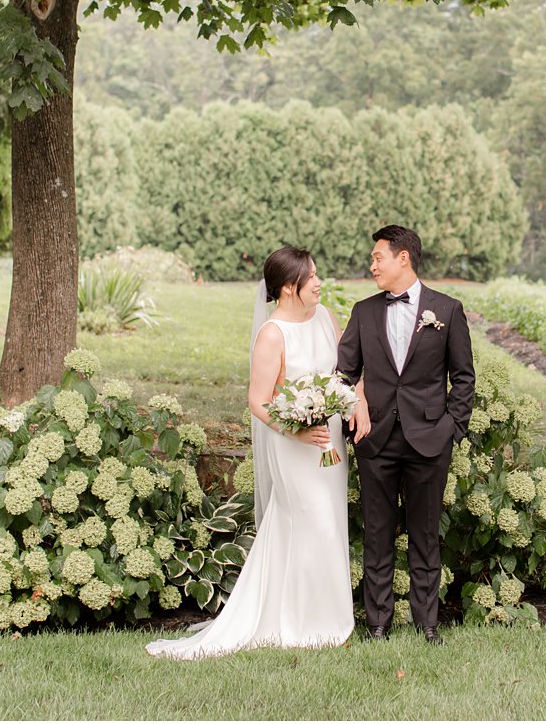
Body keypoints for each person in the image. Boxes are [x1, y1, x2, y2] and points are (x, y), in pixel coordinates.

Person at [146, 246, 354, 659]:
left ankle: (324, 617)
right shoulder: (273, 333)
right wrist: (295, 431)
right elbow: (258, 402)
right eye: (310, 277)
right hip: (295, 445)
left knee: (330, 522)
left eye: (316, 274)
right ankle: (304, 622)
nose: (318, 282)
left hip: (329, 442)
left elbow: (345, 373)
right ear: (288, 288)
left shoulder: (327, 318)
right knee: (311, 523)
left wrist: (344, 401)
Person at [338, 225, 475, 644]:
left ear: (404, 258)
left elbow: (464, 378)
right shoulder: (363, 312)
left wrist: (451, 428)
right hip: (375, 439)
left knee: (425, 533)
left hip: (429, 439)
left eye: (379, 257)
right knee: (378, 534)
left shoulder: (447, 311)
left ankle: (426, 623)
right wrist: (353, 408)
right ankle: (378, 623)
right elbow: (343, 375)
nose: (372, 265)